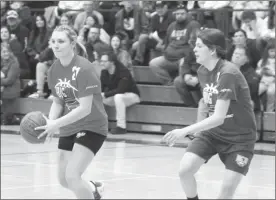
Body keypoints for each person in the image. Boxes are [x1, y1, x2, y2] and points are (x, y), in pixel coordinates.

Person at [162, 28, 257, 199]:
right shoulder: (202, 71)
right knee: (185, 170)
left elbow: (219, 117)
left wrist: (185, 131)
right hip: (213, 134)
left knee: (225, 192)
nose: (194, 50)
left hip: (240, 139)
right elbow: (208, 104)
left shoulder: (228, 73)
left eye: (199, 46)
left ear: (212, 50)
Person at [35, 25, 107, 199]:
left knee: (73, 176)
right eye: (53, 41)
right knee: (63, 180)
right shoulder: (53, 70)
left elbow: (85, 108)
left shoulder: (84, 68)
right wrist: (50, 123)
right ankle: (92, 189)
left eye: (61, 41)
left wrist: (56, 124)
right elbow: (58, 101)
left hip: (92, 125)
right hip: (69, 126)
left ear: (72, 43)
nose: (56, 45)